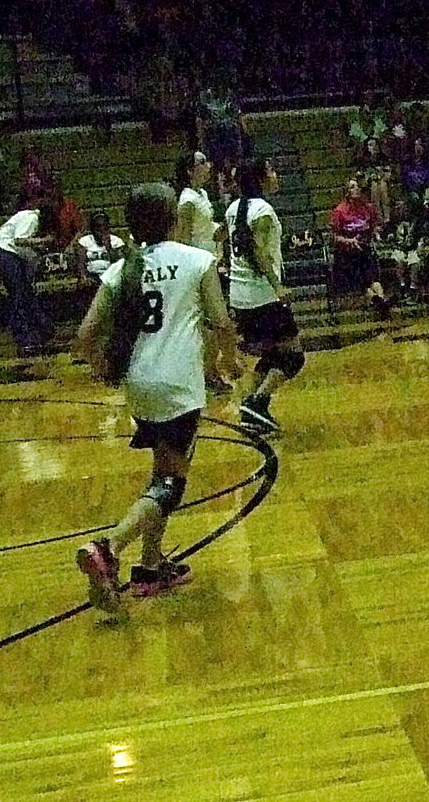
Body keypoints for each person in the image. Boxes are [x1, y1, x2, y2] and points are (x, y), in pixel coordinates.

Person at [74, 183, 239, 611]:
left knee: (161, 470)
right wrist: (228, 360)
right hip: (178, 385)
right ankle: (108, 548)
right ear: (172, 219)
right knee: (173, 482)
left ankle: (150, 564)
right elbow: (221, 321)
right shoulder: (196, 260)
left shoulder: (121, 269)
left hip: (140, 385)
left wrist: (104, 371)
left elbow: (85, 336)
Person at [226, 158, 306, 433]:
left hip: (240, 295)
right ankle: (257, 403)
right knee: (294, 356)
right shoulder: (262, 210)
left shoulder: (233, 208)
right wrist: (277, 286)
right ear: (260, 178)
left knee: (273, 354)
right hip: (262, 296)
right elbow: (258, 251)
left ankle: (250, 405)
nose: (276, 175)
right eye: (271, 170)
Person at [172, 150, 232, 393]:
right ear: (190, 171)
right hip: (198, 269)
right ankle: (208, 374)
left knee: (211, 324)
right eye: (202, 162)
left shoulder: (202, 194)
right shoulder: (187, 200)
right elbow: (183, 238)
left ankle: (208, 372)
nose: (208, 165)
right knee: (212, 324)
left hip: (210, 263)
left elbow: (208, 232)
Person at [0, 199, 58, 355]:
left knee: (24, 292)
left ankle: (42, 328)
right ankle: (23, 335)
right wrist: (41, 241)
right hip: (6, 253)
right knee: (19, 294)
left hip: (5, 252)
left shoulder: (26, 216)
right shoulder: (32, 218)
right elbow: (19, 240)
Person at [330, 177, 388, 316]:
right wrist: (349, 241)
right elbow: (334, 237)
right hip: (348, 253)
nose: (356, 189)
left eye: (357, 186)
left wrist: (376, 234)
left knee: (374, 280)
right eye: (352, 187)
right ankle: (376, 301)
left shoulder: (368, 208)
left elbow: (374, 226)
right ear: (347, 191)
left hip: (366, 249)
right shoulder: (339, 211)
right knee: (363, 283)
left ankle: (381, 302)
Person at [75, 211, 126, 285]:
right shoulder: (85, 241)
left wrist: (109, 247)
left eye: (105, 226)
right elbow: (81, 263)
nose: (102, 230)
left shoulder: (116, 241)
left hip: (110, 276)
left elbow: (119, 264)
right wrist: (84, 278)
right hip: (92, 276)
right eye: (98, 227)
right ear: (92, 229)